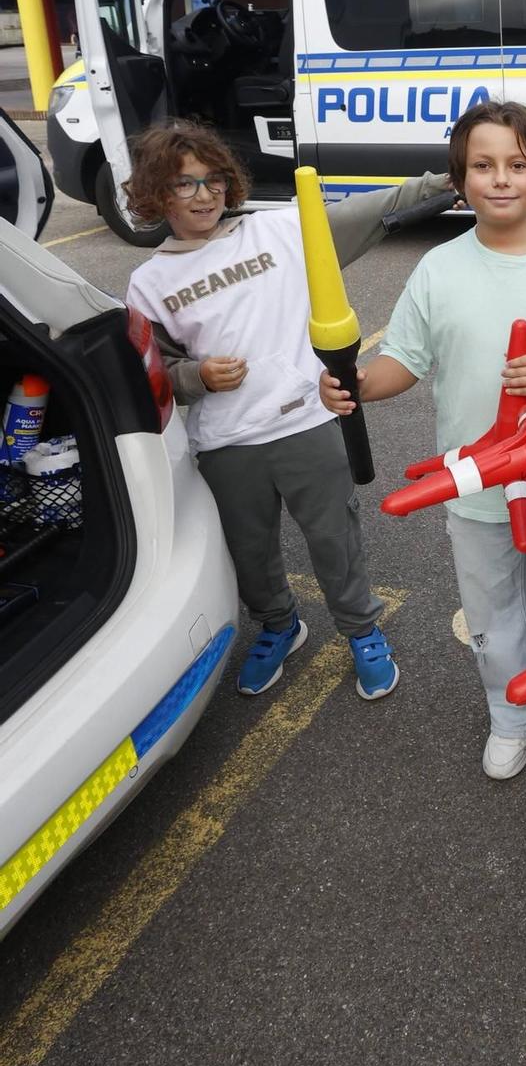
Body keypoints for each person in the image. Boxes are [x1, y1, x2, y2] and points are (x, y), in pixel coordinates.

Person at [319, 101, 526, 780]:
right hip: (476, 481)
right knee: (492, 607)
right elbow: (408, 360)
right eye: (482, 165)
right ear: (458, 178)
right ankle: (514, 714)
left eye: (517, 164)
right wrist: (358, 384)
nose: (500, 179)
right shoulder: (437, 268)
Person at [125, 121, 453, 701]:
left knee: (334, 540)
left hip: (306, 421)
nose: (204, 195)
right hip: (226, 444)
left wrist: (456, 178)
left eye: (213, 181)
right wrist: (195, 376)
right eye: (184, 184)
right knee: (249, 551)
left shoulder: (281, 230)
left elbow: (380, 209)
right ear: (156, 195)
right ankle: (280, 625)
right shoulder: (149, 282)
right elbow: (156, 369)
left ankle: (362, 631)